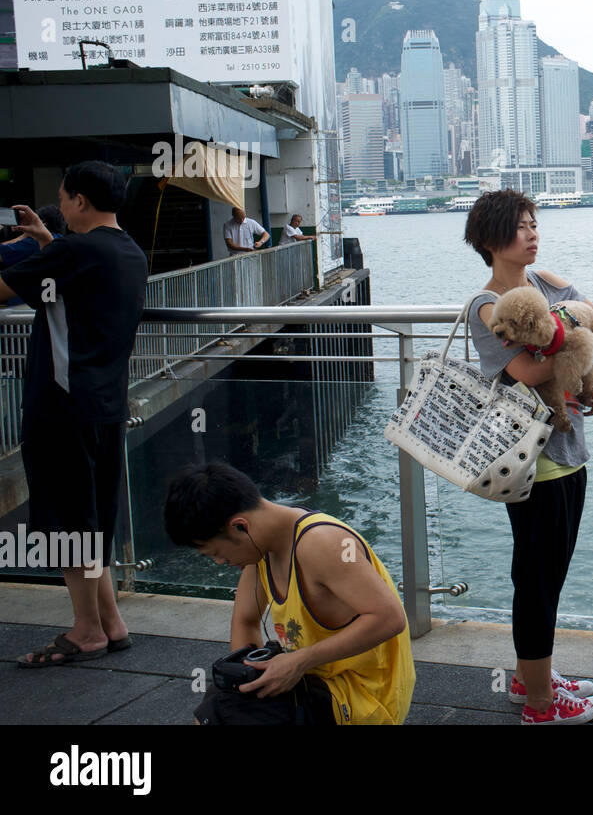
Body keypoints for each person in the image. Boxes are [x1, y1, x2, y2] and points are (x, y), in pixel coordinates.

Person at [463, 189, 593, 724]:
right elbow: (528, 372)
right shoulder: (487, 307)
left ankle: (529, 674)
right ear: (490, 240)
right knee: (537, 577)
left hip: (570, 446)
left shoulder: (545, 285)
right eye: (520, 227)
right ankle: (539, 703)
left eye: (535, 224)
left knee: (544, 573)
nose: (533, 233)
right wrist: (577, 338)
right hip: (534, 459)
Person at [0, 162, 148, 667]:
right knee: (91, 518)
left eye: (63, 199)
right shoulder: (127, 251)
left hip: (60, 407)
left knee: (67, 522)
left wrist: (46, 247)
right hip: (105, 406)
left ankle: (86, 631)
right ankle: (110, 623)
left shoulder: (75, 252)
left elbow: (5, 289)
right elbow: (69, 284)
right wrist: (47, 241)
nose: (59, 207)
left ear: (80, 200)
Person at [164, 462, 416, 725]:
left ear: (240, 526)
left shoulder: (324, 544)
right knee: (222, 702)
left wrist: (299, 661)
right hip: (316, 678)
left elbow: (390, 618)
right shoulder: (260, 551)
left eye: (215, 553)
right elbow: (246, 621)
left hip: (363, 694)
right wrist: (247, 683)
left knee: (225, 715)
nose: (220, 562)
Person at [2, 205, 66, 307]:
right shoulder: (63, 242)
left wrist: (25, 235)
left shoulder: (32, 242)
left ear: (41, 223)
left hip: (22, 309)